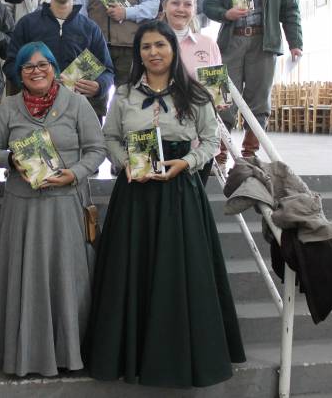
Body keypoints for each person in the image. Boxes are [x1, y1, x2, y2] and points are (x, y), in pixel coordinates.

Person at [85, 20, 245, 389]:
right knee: (132, 270)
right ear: (138, 54)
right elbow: (109, 137)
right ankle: (130, 353)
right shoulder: (124, 94)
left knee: (179, 272)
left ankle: (179, 356)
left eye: (160, 45)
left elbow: (210, 142)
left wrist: (186, 163)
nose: (153, 52)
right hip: (135, 195)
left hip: (179, 194)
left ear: (173, 48)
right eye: (146, 47)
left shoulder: (197, 94)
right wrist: (126, 163)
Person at [0, 42, 106, 376]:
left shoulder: (78, 103)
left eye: (43, 64)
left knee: (68, 279)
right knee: (27, 278)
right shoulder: (8, 107)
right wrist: (11, 158)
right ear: (20, 73)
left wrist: (75, 174)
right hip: (23, 210)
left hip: (66, 206)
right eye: (28, 66)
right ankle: (26, 355)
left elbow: (97, 149)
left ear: (54, 67)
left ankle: (70, 353)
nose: (37, 71)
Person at [204, 0, 303, 160]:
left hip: (264, 42)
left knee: (259, 99)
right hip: (231, 41)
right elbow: (209, 5)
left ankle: (250, 154)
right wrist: (226, 13)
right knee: (223, 96)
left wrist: (295, 43)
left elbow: (290, 8)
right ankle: (220, 151)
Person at [4, 0, 114, 117]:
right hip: (34, 111)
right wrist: (32, 81)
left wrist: (99, 86)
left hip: (79, 112)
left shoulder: (91, 29)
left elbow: (108, 71)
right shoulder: (27, 24)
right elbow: (10, 64)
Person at [160, 0, 222, 184]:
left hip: (198, 143)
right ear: (165, 5)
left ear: (195, 9)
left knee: (193, 206)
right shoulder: (149, 42)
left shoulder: (208, 44)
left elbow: (218, 91)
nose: (181, 9)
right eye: (176, 3)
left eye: (188, 4)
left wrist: (219, 100)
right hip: (161, 139)